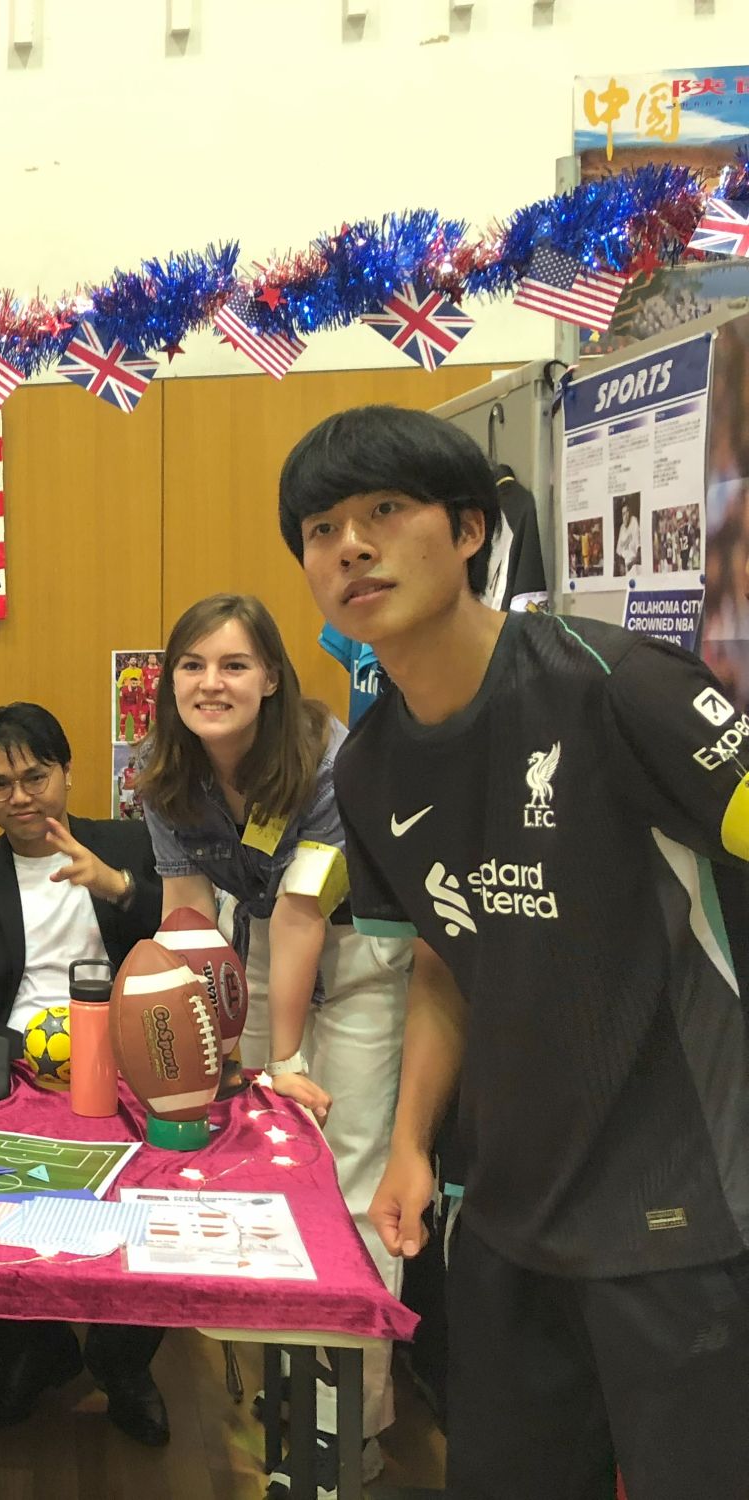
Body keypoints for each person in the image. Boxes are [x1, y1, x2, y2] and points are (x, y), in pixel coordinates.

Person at [279, 404, 749, 1499]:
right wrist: (409, 1144)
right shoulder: (369, 769)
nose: (350, 546)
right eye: (320, 529)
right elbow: (442, 961)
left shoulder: (615, 682)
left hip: (680, 1212)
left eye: (384, 511)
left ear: (468, 530)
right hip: (505, 1214)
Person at [135, 593, 407, 1490]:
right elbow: (185, 911)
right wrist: (189, 1033)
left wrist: (283, 1062)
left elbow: (304, 913)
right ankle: (288, 1378)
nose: (210, 683)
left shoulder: (325, 758)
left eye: (234, 665)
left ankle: (352, 1427)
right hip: (252, 949)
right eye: (192, 665)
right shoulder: (164, 771)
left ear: (272, 679)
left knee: (351, 1177)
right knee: (258, 1166)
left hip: (358, 955)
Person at [0, 703, 169, 1442]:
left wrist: (119, 886)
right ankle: (30, 1353)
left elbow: (192, 937)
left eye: (36, 776)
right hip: (17, 1075)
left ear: (67, 772)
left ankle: (123, 1361)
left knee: (162, 1199)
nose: (20, 796)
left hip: (132, 1068)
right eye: (0, 784)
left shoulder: (134, 846)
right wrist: (24, 1051)